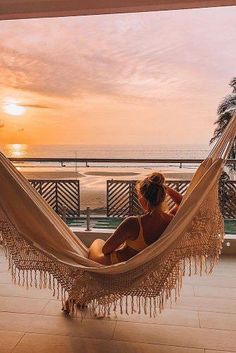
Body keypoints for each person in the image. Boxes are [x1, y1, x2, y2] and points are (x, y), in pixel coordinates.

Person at [88, 172, 183, 265]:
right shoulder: (170, 220)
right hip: (140, 267)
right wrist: (163, 187)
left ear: (143, 198)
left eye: (139, 196)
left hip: (115, 266)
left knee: (98, 242)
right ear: (162, 196)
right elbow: (181, 202)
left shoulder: (133, 223)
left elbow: (106, 250)